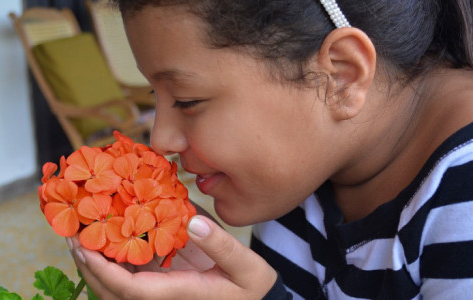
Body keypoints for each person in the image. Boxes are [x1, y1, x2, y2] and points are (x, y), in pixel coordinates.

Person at [67, 0, 473, 298]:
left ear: (341, 76)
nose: (160, 141)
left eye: (187, 100)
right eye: (155, 94)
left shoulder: (464, 198)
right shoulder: (295, 172)